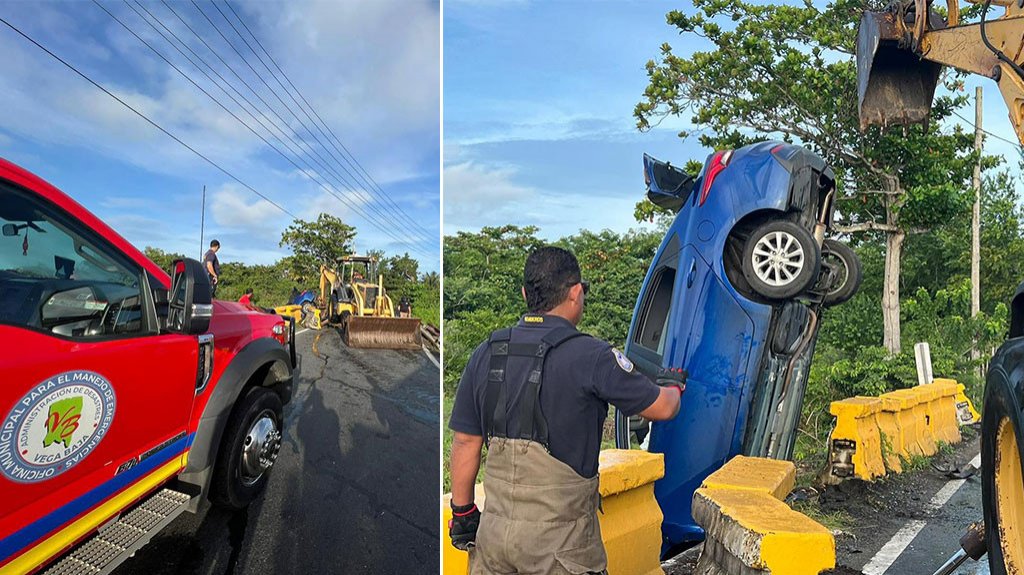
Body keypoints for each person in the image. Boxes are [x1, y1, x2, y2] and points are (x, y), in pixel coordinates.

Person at [447, 246, 685, 575]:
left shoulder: (486, 353)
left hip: (493, 543)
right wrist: (674, 386)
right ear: (575, 293)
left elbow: (465, 442)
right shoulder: (592, 355)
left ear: (524, 293)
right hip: (561, 549)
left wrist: (462, 513)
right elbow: (662, 407)